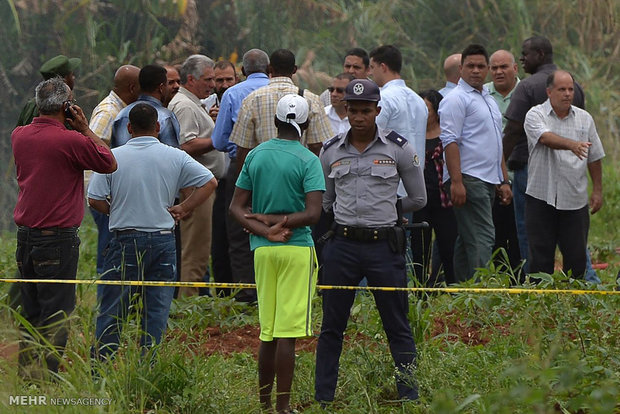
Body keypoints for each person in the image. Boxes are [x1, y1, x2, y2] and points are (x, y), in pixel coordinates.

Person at [315, 79, 426, 404]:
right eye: (354, 110)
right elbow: (326, 201)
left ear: (378, 110)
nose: (359, 117)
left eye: (366, 110)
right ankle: (324, 399)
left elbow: (418, 198)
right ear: (345, 110)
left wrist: (390, 208)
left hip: (384, 247)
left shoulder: (399, 148)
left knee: (397, 324)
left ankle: (409, 397)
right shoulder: (331, 149)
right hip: (343, 246)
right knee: (332, 326)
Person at [89, 103, 217, 360]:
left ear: (128, 128)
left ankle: (100, 369)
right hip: (162, 241)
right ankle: (149, 365)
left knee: (114, 309)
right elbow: (209, 182)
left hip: (124, 240)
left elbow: (94, 199)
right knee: (156, 311)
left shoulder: (113, 156)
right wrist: (183, 208)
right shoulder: (175, 155)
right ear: (158, 127)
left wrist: (115, 211)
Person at [12, 77, 116, 377]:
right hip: (57, 240)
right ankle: (47, 377)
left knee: (30, 312)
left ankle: (27, 376)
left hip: (26, 238)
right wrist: (84, 128)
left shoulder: (19, 135)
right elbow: (108, 162)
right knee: (56, 313)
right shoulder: (71, 140)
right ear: (67, 106)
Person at [230, 94, 324, 414]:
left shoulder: (256, 155)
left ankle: (265, 406)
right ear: (307, 123)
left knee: (268, 333)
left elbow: (236, 208)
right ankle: (283, 409)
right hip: (297, 249)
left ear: (275, 122)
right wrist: (282, 223)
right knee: (288, 334)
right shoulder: (309, 160)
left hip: (263, 252)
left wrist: (266, 227)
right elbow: (313, 214)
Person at [229, 48, 333, 302]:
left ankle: (250, 294)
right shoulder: (311, 99)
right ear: (295, 70)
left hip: (260, 183)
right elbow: (322, 147)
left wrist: (250, 186)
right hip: (302, 184)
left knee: (251, 240)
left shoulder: (252, 98)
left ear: (269, 71)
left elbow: (241, 150)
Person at [503, 36, 585, 272]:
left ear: (539, 54)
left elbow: (512, 131)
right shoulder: (574, 86)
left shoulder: (526, 87)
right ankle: (583, 280)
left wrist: (500, 168)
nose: (522, 59)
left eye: (525, 54)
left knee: (532, 231)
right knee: (572, 232)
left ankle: (537, 284)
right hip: (570, 169)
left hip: (533, 171)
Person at [438, 44, 512, 282]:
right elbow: (449, 141)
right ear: (461, 69)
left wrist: (503, 179)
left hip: (488, 178)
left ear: (487, 69)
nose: (476, 71)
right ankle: (482, 294)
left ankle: (462, 290)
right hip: (470, 178)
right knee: (482, 235)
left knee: (467, 236)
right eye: (471, 66)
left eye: (481, 66)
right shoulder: (456, 99)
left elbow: (495, 141)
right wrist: (456, 181)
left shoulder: (487, 99)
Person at [524, 70, 604, 278]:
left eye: (570, 89)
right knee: (540, 256)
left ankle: (575, 304)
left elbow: (594, 156)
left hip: (574, 198)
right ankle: (538, 303)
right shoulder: (535, 114)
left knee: (576, 257)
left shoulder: (585, 119)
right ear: (549, 92)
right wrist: (572, 145)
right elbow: (545, 138)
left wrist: (597, 190)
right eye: (562, 89)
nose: (568, 94)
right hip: (541, 197)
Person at [212, 48, 270, 298]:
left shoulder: (234, 94)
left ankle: (246, 291)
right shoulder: (288, 92)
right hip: (279, 169)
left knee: (238, 229)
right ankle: (272, 287)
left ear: (243, 72)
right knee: (275, 222)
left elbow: (219, 140)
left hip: (243, 167)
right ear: (269, 70)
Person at [168, 54, 226, 297]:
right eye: (208, 79)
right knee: (195, 248)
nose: (212, 85)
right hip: (196, 187)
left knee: (199, 247)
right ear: (191, 79)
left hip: (202, 186)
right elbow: (186, 145)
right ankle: (187, 303)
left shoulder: (193, 103)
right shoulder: (184, 105)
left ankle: (189, 299)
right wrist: (218, 139)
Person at [88, 64, 140, 275]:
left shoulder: (121, 110)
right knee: (110, 255)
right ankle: (107, 305)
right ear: (132, 87)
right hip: (106, 196)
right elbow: (91, 149)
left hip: (111, 195)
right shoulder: (109, 112)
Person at [410, 89, 457, 285]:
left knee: (449, 246)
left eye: (425, 108)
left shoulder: (447, 135)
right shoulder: (413, 136)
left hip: (444, 200)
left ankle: (453, 287)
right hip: (420, 201)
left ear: (437, 110)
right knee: (419, 248)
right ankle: (420, 290)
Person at [484, 50, 522, 276]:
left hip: (521, 177)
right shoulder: (483, 94)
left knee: (519, 234)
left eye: (504, 67)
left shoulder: (525, 93)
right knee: (496, 236)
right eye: (494, 68)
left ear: (515, 69)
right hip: (490, 179)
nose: (499, 72)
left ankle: (522, 282)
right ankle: (502, 281)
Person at [369, 45, 428, 168]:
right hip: (416, 173)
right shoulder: (419, 101)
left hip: (389, 176)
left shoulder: (383, 98)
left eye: (372, 67)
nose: (370, 73)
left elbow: (371, 136)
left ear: (383, 67)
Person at [111, 64, 180, 148]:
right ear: (161, 88)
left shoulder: (121, 114)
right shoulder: (165, 117)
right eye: (167, 84)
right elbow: (172, 154)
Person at [16, 54, 82, 127]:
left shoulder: (31, 104)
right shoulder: (64, 108)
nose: (74, 78)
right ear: (65, 80)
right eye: (71, 75)